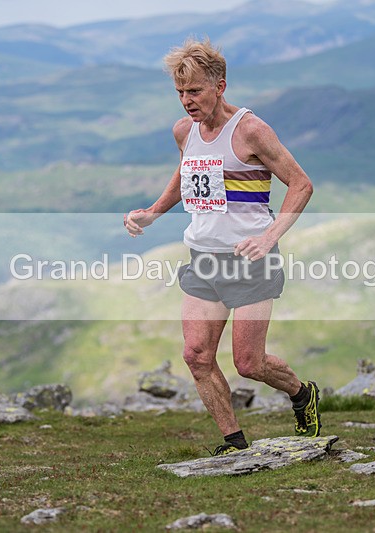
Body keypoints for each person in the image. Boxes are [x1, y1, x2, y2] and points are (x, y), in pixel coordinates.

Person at [123, 37, 320, 456]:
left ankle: (302, 394)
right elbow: (187, 173)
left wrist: (270, 237)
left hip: (251, 262)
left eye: (194, 91)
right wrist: (153, 212)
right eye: (179, 93)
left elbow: (301, 184)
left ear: (220, 86)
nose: (186, 101)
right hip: (203, 260)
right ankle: (235, 445)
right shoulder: (184, 131)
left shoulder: (251, 130)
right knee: (196, 355)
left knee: (250, 364)